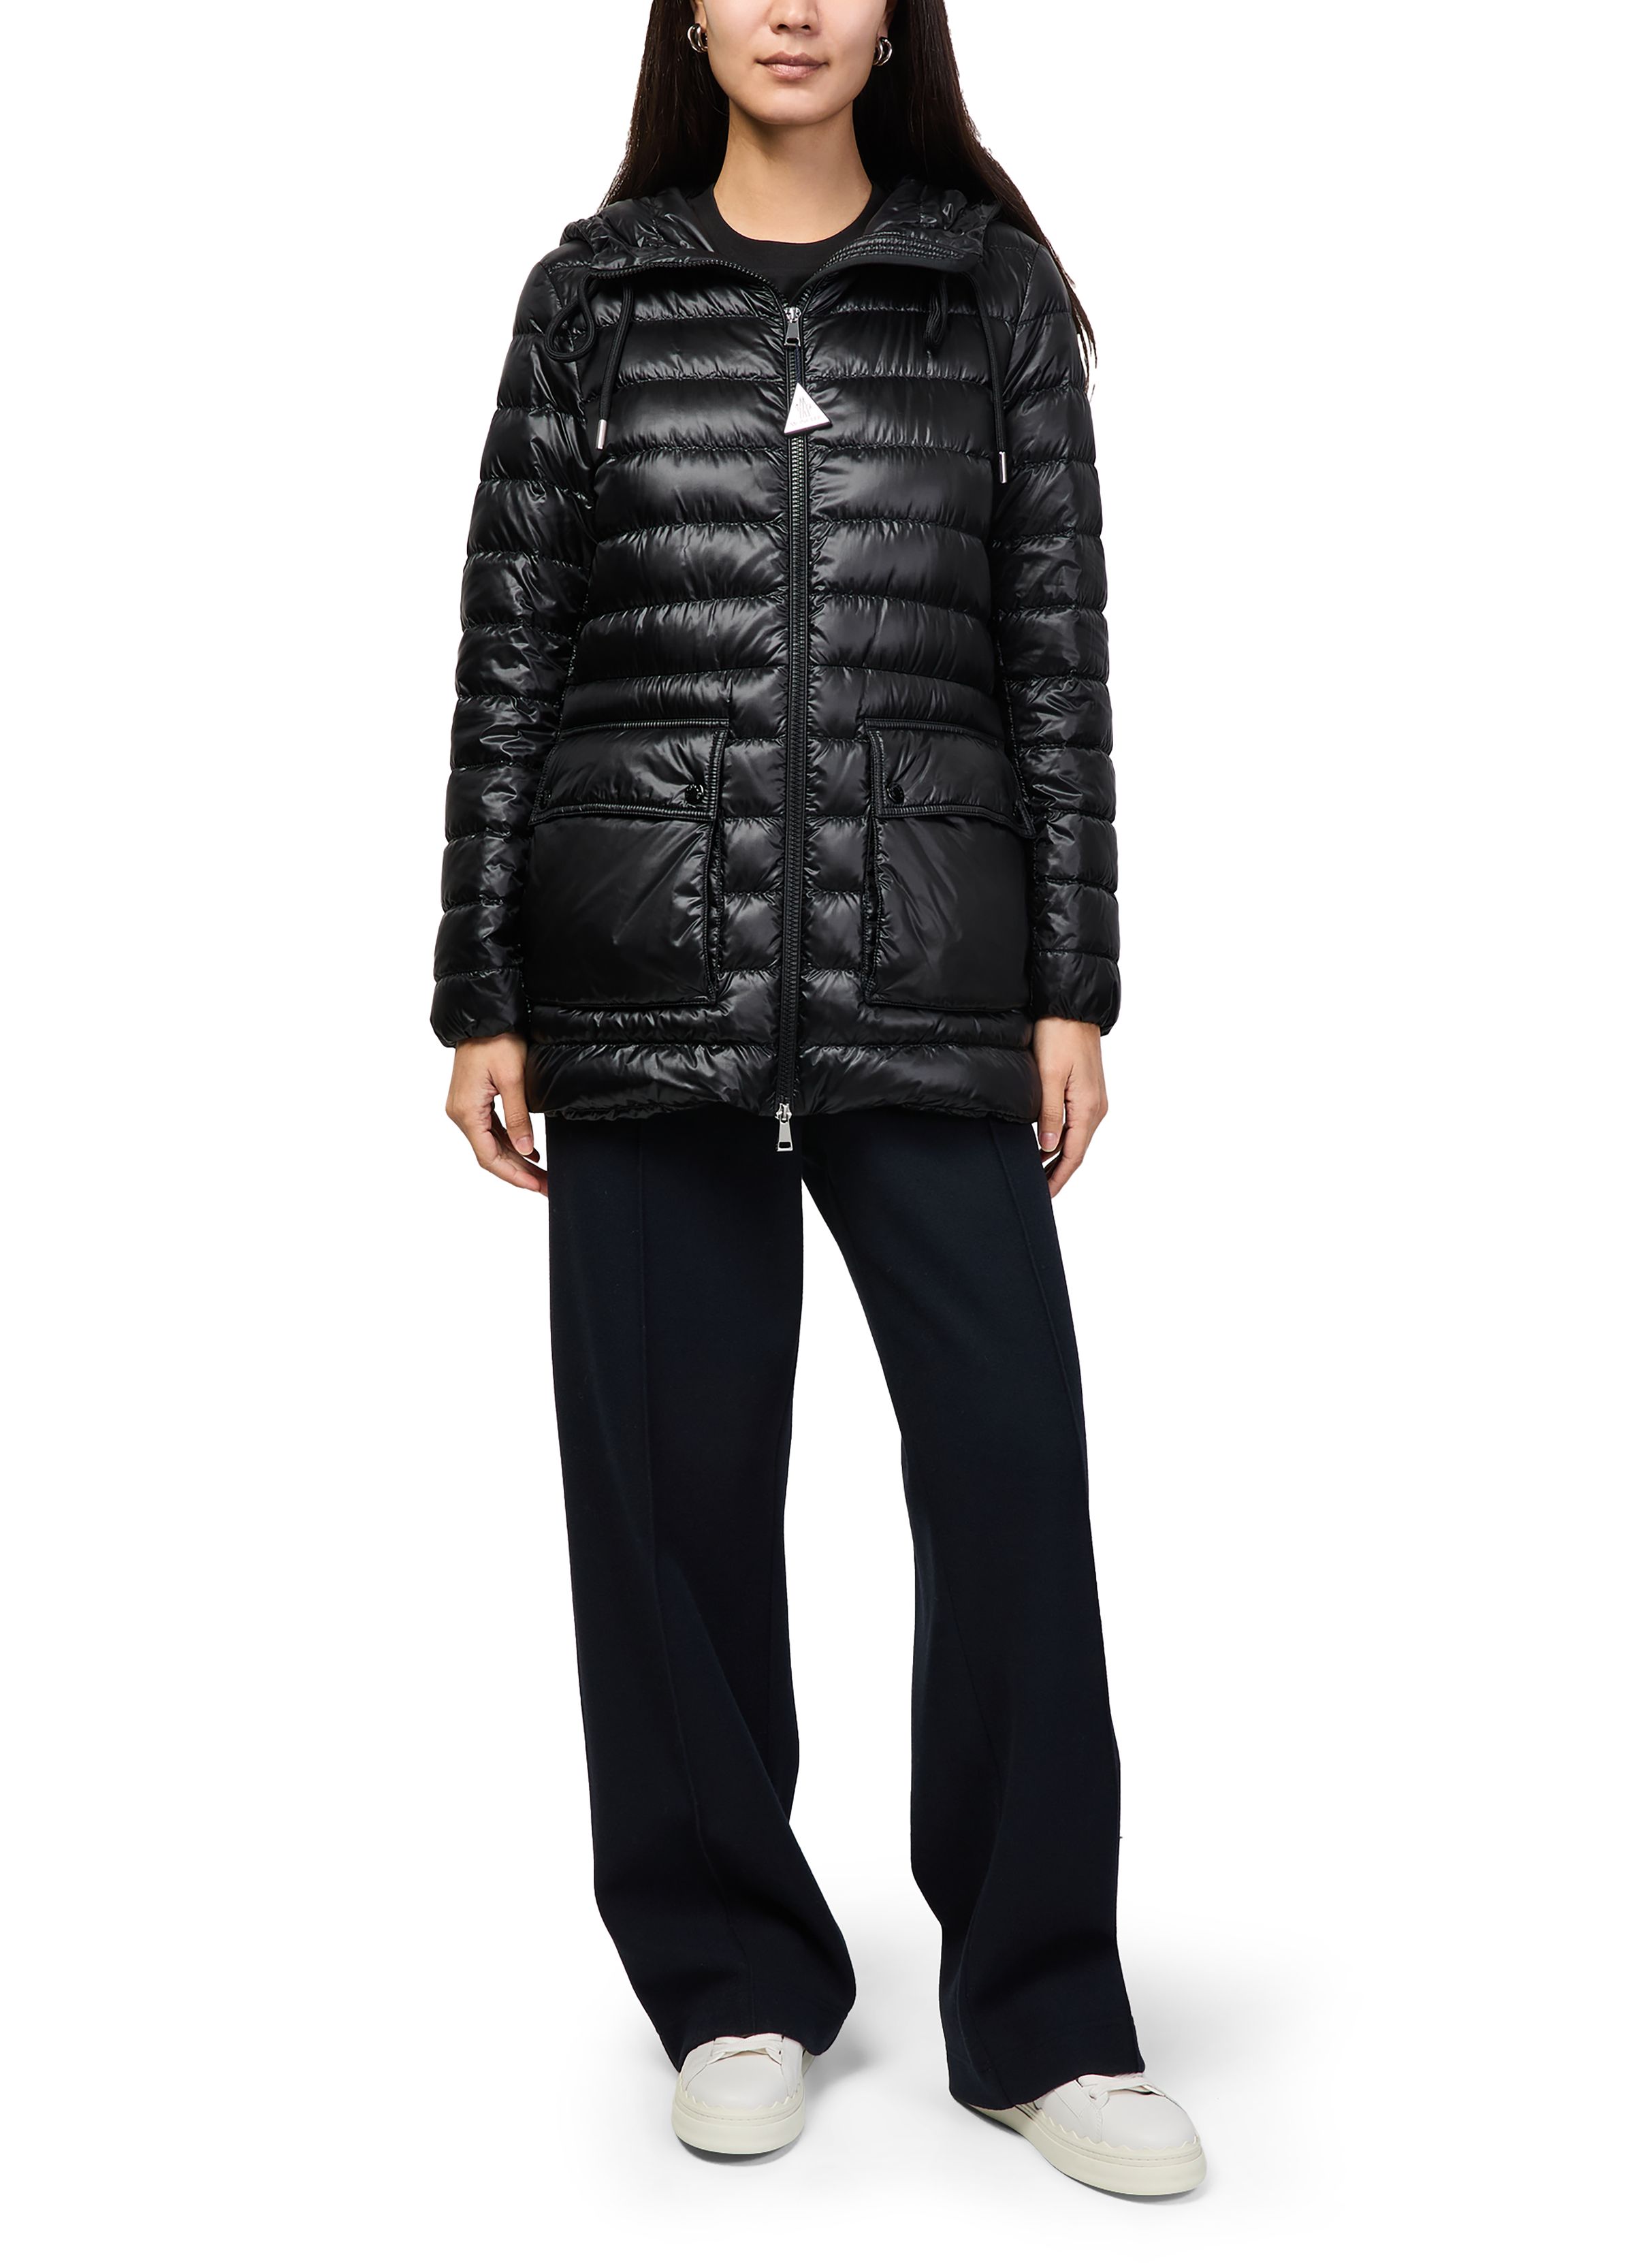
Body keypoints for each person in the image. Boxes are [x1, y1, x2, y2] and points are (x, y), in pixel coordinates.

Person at [432, 0, 1204, 2197]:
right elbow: (512, 642)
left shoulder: (990, 294)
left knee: (1009, 1471)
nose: (793, 7)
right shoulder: (594, 294)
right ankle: (731, 1979)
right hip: (642, 958)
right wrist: (481, 985)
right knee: (672, 1497)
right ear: (689, 11)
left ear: (893, 18)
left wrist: (1071, 982)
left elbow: (1055, 649)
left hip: (926, 957)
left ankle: (1044, 2014)